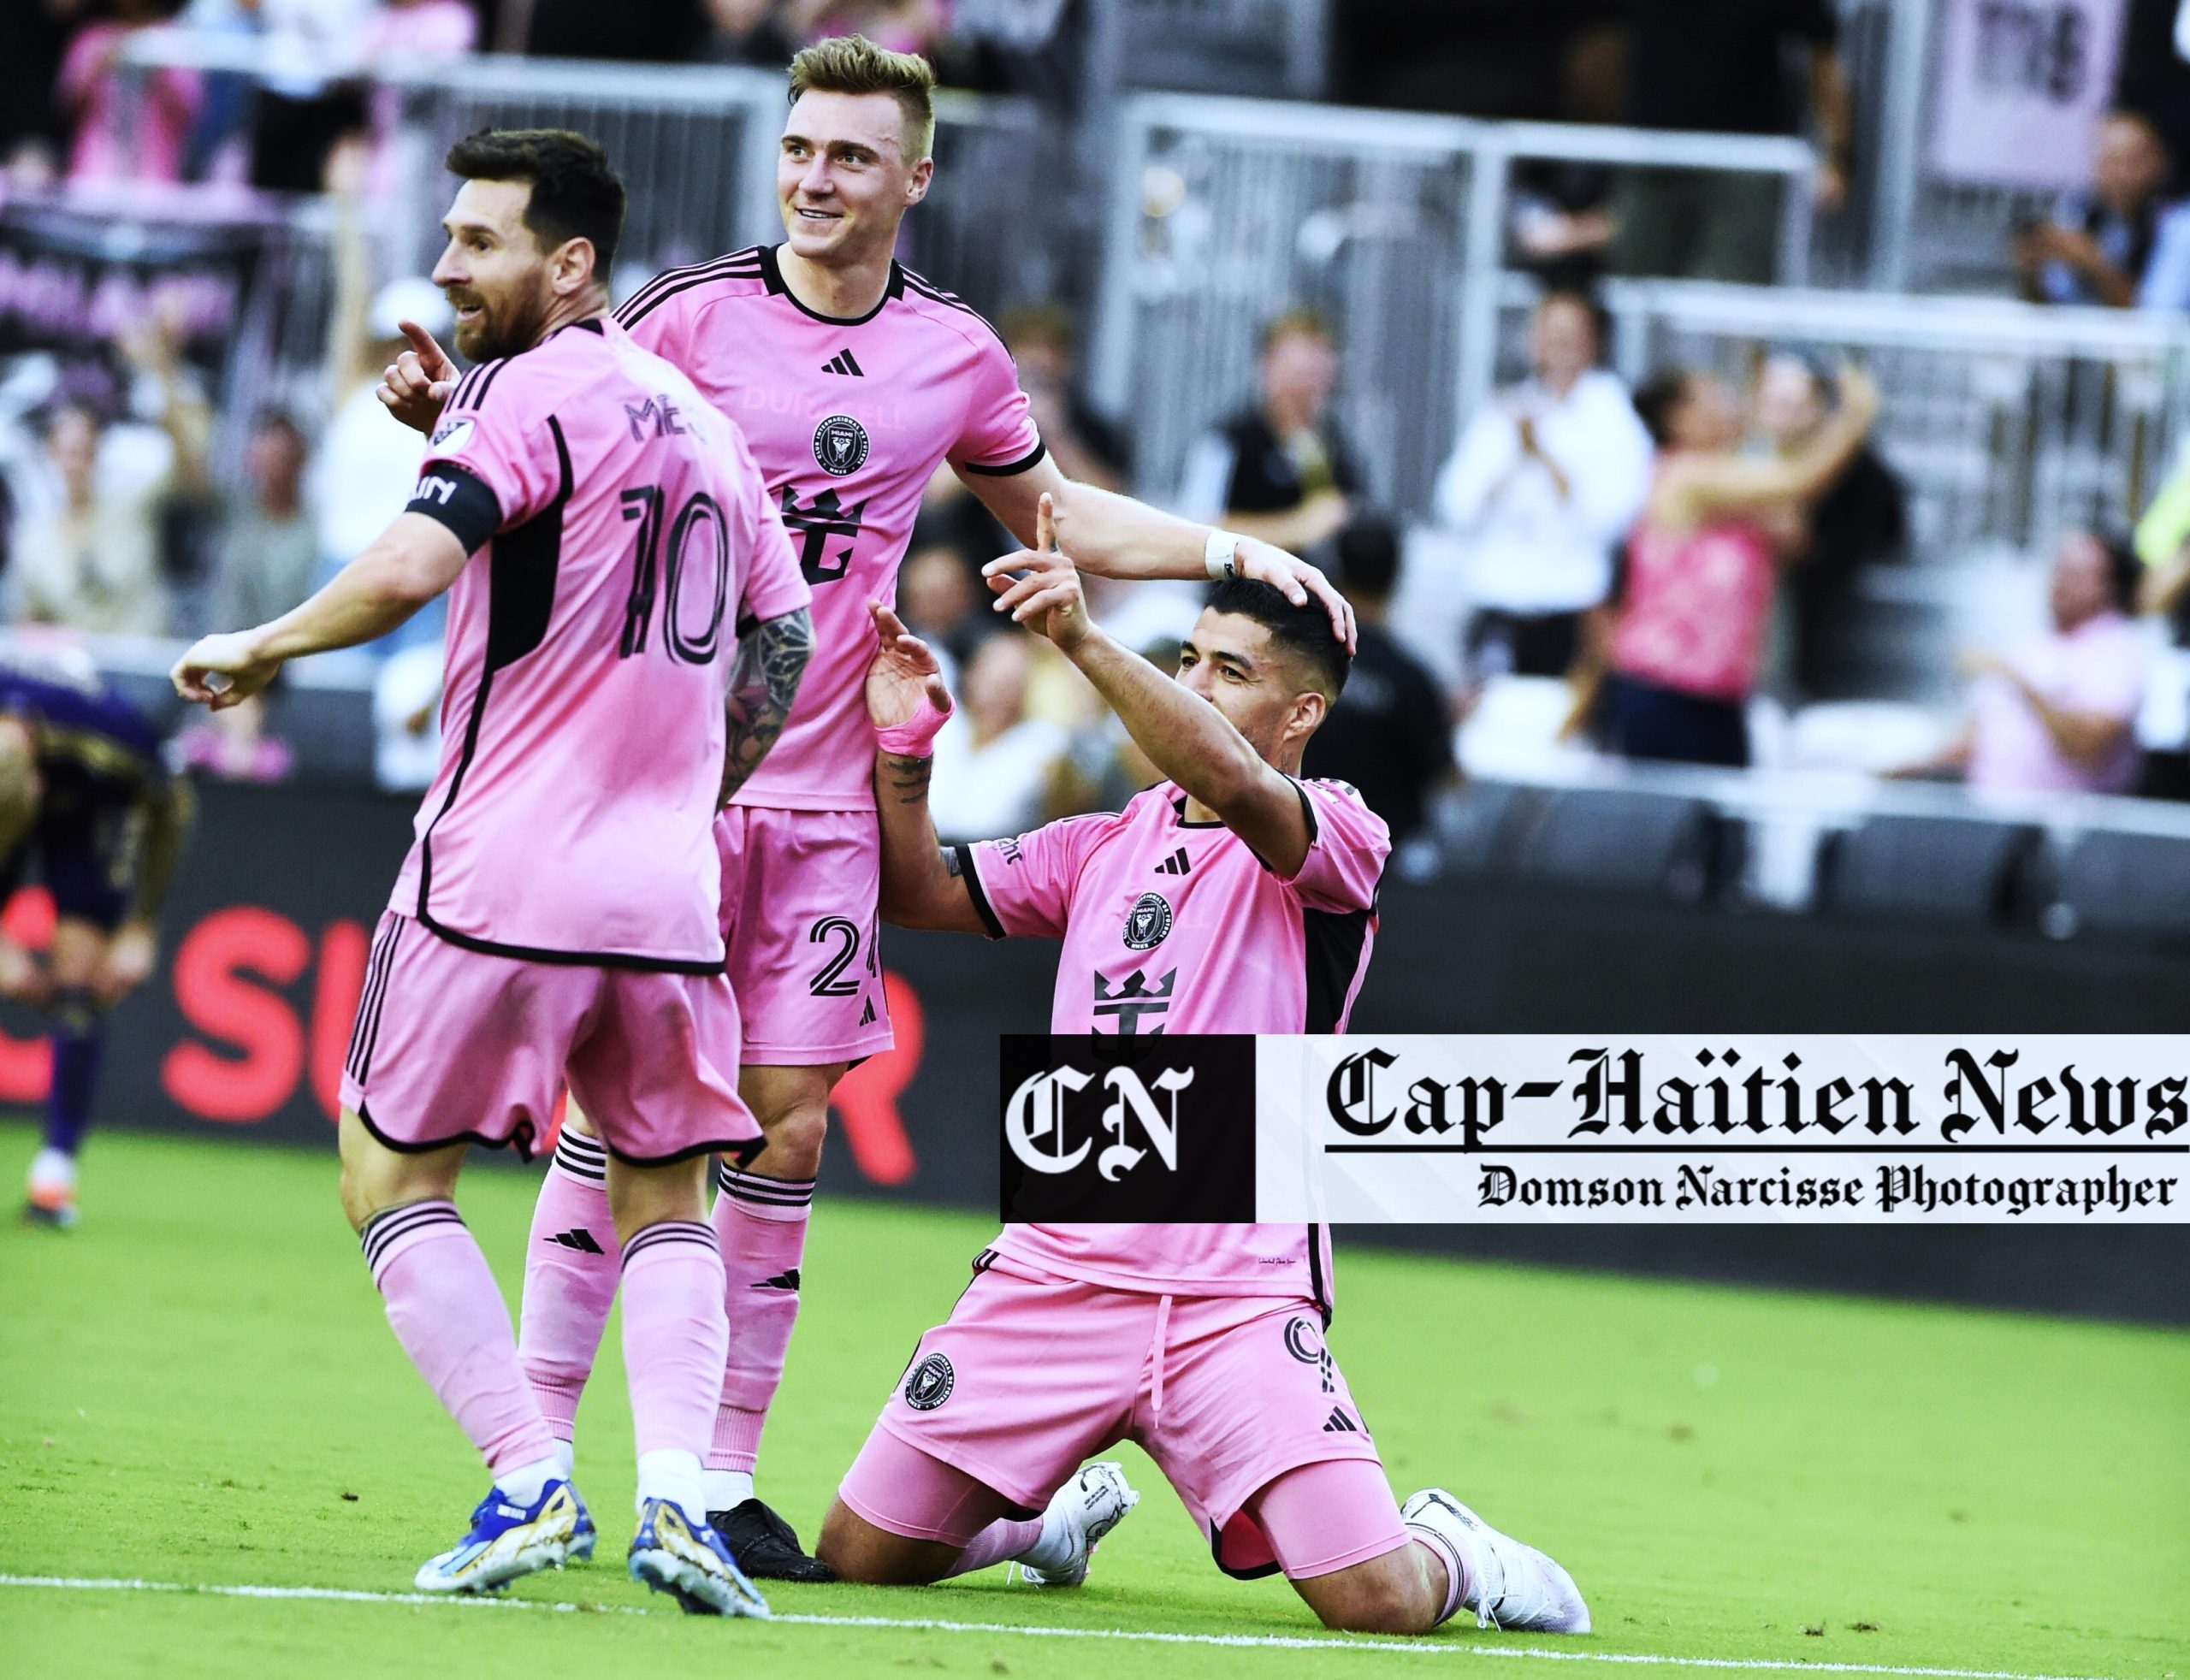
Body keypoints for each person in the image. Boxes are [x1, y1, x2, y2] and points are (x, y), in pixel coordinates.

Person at [375, 33, 1353, 1582]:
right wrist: (447, 416)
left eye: (849, 155)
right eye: (799, 147)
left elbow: (1050, 510)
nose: (816, 178)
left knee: (788, 1119)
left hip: (830, 793)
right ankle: (546, 1462)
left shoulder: (953, 354)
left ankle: (715, 1477)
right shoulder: (687, 316)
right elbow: (561, 445)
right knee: (617, 1117)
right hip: (672, 785)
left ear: (915, 174)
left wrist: (1220, 548)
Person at [171, 127, 815, 1614]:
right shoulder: (699, 420)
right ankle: (677, 1506)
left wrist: (264, 641)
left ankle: (529, 1472)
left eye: (481, 241)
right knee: (667, 1194)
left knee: (388, 1165)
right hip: (668, 889)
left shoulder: (528, 394)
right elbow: (777, 645)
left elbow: (419, 561)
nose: (451, 265)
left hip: (499, 869)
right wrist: (698, 790)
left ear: (570, 262)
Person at [814, 505, 1589, 1642]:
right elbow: (918, 889)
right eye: (1190, 658)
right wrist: (904, 753)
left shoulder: (1335, 834)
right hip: (1058, 1269)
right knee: (862, 1555)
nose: (1199, 682)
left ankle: (1455, 1551)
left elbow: (1228, 777)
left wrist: (1084, 641)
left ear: (1303, 713)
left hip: (1233, 1290)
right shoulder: (1098, 841)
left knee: (1375, 1605)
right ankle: (1044, 1527)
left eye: (1232, 670)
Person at [1587, 364, 1879, 768]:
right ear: (1677, 418)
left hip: (1724, 695)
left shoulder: (1734, 484)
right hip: (1665, 691)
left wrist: (1786, 432)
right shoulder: (1685, 477)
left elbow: (1795, 532)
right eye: (1711, 399)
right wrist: (1853, 418)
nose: (1727, 407)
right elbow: (1800, 480)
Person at [2, 644, 193, 1228]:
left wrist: (142, 927)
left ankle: (55, 1173)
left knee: (79, 981)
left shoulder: (119, 744)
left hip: (90, 809)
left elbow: (175, 812)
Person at [1435, 288, 1652, 684]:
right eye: (1548, 334)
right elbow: (1456, 504)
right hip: (1497, 598)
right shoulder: (1506, 411)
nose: (1557, 347)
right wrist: (1513, 460)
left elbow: (1613, 516)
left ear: (1593, 342)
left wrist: (1544, 455)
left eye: (1569, 335)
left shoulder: (1613, 418)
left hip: (1569, 607)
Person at [1892, 532, 2147, 796]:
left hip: (2070, 825)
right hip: (1993, 814)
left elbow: (2088, 747)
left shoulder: (2117, 651)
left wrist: (2018, 681)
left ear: (2108, 586)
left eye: (2075, 574)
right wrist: (1906, 768)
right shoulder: (2031, 643)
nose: (2060, 583)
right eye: (2059, 569)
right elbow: (1980, 738)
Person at [1616, 0, 1848, 281]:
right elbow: (1599, 38)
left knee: (1736, 291)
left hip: (1746, 159)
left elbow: (1823, 54)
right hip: (1651, 150)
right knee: (1630, 283)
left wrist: (1835, 155)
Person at [10, 314, 209, 638]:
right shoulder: (34, 541)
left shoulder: (132, 506)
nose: (77, 463)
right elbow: (29, 625)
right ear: (51, 453)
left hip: (147, 671)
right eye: (68, 451)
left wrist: (162, 371)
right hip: (81, 679)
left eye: (85, 451)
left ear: (98, 453)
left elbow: (192, 469)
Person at [1750, 353, 1907, 701]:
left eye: (1793, 404)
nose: (1781, 415)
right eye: (1774, 402)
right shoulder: (1741, 460)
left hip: (1817, 630)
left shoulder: (1855, 470)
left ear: (1819, 407)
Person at [1301, 517, 1455, 863]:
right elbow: (1444, 775)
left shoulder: (1299, 665)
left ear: (1332, 572)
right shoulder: (1412, 678)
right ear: (1396, 579)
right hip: (1384, 862)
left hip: (1300, 848)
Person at [1177, 309, 1363, 555]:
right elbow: (1196, 529)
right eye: (1299, 363)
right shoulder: (1227, 441)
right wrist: (1295, 529)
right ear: (1267, 364)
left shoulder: (1336, 447)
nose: (1311, 376)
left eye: (1320, 360)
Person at [2017, 110, 2190, 313]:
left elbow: (2155, 321)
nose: (2120, 173)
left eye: (2132, 161)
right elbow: (2055, 308)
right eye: (2110, 161)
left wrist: (2092, 263)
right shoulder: (2079, 212)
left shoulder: (2178, 226)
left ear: (2159, 163)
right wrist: (2031, 274)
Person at [927, 631, 1068, 843]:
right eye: (993, 679)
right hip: (926, 845)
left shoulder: (1041, 744)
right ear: (970, 676)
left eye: (1011, 683)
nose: (999, 692)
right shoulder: (944, 727)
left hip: (994, 852)